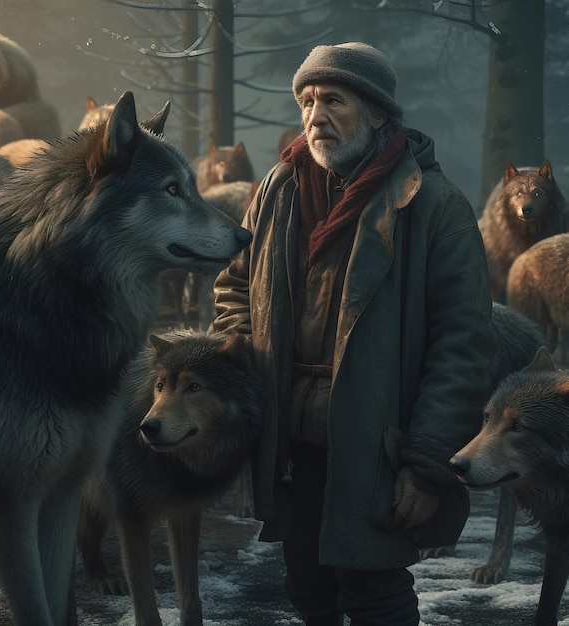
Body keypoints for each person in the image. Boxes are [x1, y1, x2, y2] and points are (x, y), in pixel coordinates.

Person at [212, 42, 495, 626]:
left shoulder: (433, 206)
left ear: (375, 112)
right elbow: (234, 290)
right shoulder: (276, 192)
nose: (315, 116)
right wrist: (246, 371)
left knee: (374, 594)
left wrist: (426, 464)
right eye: (307, 101)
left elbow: (462, 347)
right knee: (308, 590)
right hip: (291, 437)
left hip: (377, 441)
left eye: (333, 101)